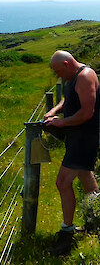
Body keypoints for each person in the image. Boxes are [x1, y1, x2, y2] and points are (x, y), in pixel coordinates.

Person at [44, 50, 99, 256]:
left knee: (62, 182)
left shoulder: (85, 77)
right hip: (77, 138)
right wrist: (54, 111)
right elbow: (69, 99)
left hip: (85, 139)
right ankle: (96, 220)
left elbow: (87, 112)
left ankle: (66, 236)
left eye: (59, 71)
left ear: (67, 64)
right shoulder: (74, 76)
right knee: (86, 178)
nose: (59, 76)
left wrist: (61, 123)